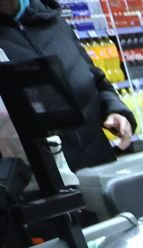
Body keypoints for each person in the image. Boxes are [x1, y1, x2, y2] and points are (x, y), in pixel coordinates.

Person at [0, 0, 135, 171]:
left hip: (100, 164)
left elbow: (95, 79)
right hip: (41, 180)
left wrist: (115, 110)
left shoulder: (54, 22)